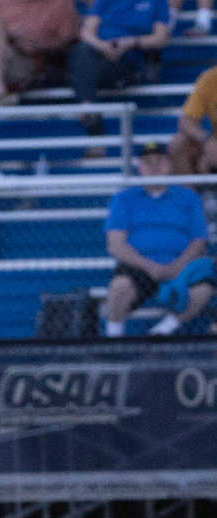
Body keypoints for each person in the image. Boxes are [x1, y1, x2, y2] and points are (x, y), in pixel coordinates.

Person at [103, 140, 213, 336]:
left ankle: (161, 332)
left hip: (181, 266)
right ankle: (113, 340)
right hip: (139, 267)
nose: (154, 167)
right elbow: (115, 244)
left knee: (203, 289)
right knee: (120, 287)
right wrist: (149, 266)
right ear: (140, 167)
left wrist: (177, 266)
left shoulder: (188, 197)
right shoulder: (124, 198)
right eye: (148, 162)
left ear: (169, 165)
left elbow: (199, 241)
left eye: (160, 161)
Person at [68, 0, 170, 142]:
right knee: (81, 51)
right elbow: (86, 33)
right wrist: (103, 47)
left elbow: (160, 38)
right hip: (99, 52)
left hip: (129, 59)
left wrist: (131, 42)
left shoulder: (157, 2)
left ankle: (90, 113)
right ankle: (88, 106)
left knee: (82, 66)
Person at [0, 0, 79, 104]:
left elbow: (69, 41)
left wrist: (36, 44)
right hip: (4, 57)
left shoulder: (60, 3)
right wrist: (11, 37)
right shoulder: (4, 3)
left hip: (35, 63)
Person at [170, 63, 217, 175]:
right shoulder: (211, 78)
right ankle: (188, 187)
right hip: (214, 142)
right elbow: (186, 120)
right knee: (179, 144)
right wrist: (206, 141)